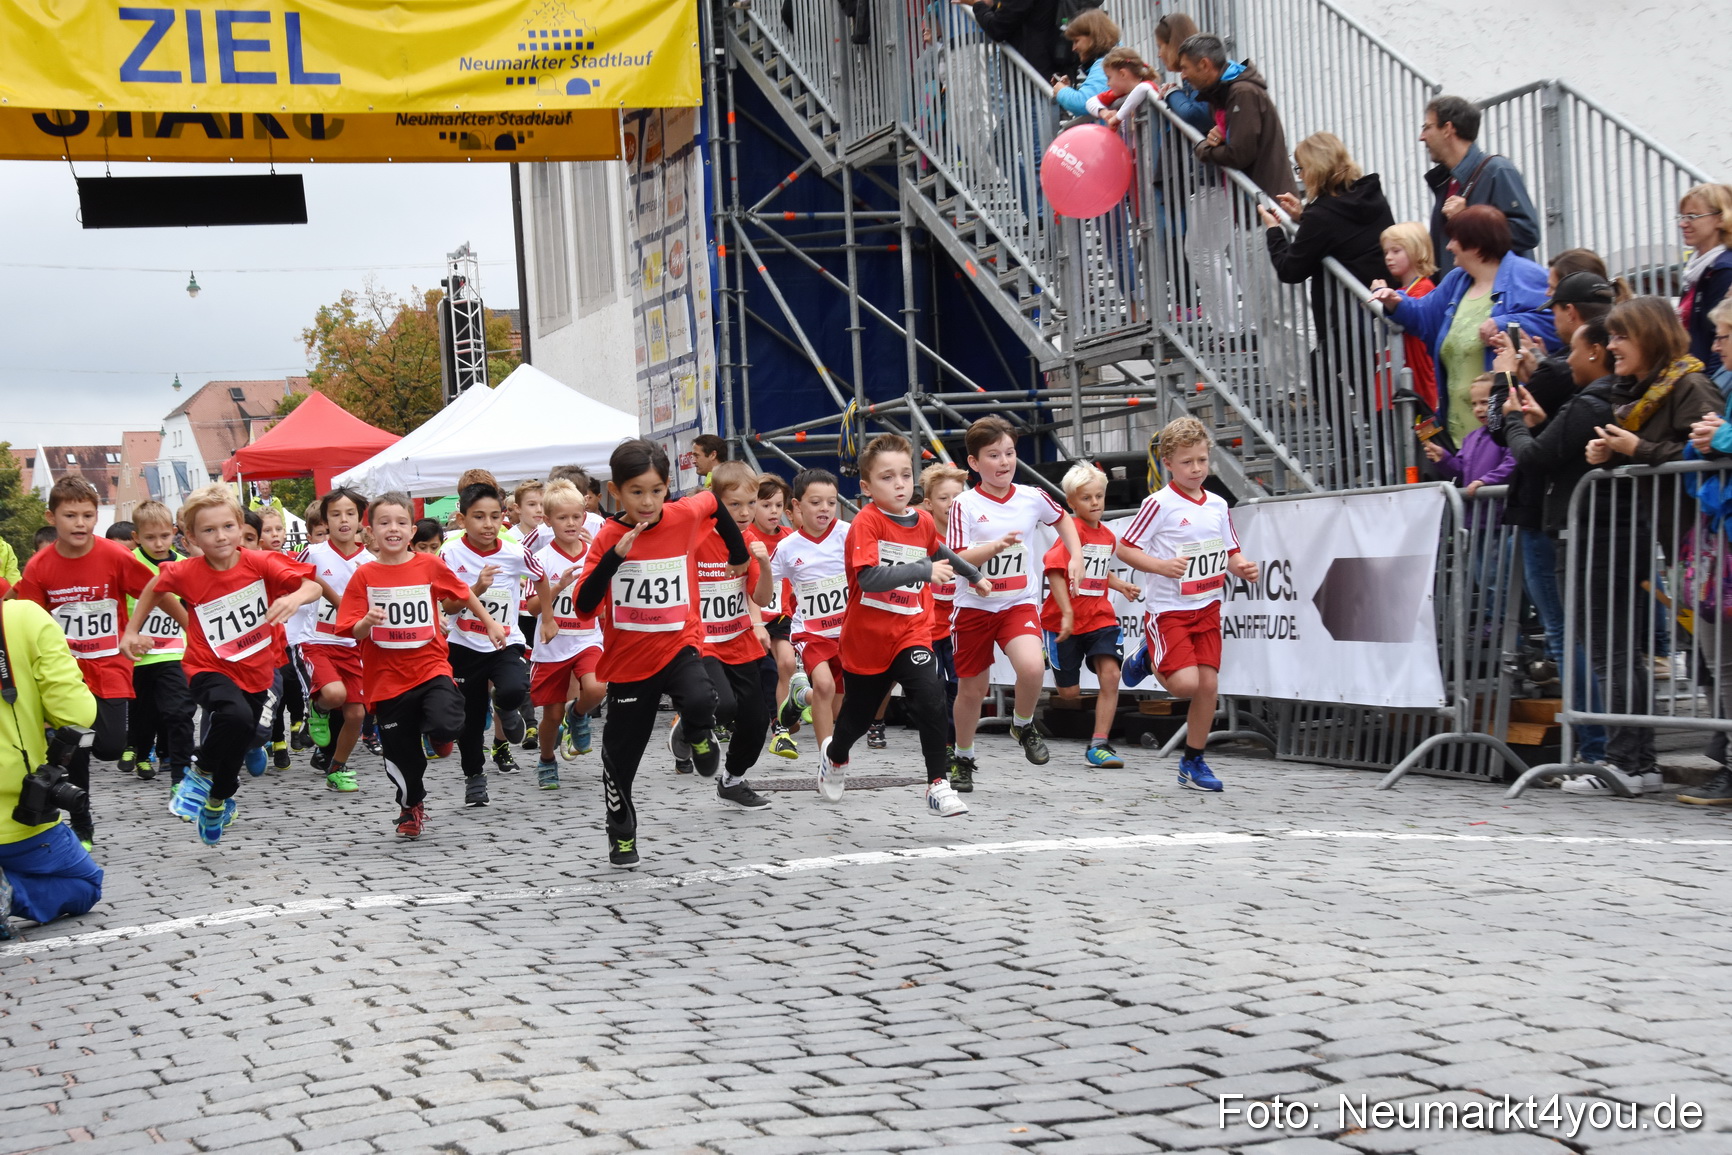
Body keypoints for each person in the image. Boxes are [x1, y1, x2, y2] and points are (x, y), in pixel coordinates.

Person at [575, 439, 749, 869]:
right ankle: (623, 833)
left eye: (656, 490)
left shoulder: (682, 515)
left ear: (668, 487)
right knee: (620, 760)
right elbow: (583, 606)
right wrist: (613, 561)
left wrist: (739, 553)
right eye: (636, 492)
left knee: (702, 698)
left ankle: (698, 733)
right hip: (630, 663)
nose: (648, 501)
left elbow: (712, 503)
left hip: (680, 642)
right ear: (615, 491)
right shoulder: (607, 538)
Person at [1499, 320, 1657, 795]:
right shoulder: (1607, 399)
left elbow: (1535, 457)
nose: (1566, 360)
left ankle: (1615, 757)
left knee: (1606, 653)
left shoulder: (1591, 400)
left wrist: (1510, 418)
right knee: (1619, 653)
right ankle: (1633, 759)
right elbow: (1557, 448)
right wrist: (1540, 421)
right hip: (1608, 532)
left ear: (1594, 353)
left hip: (1592, 534)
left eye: (1574, 350)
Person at [122, 486, 322, 844]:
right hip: (206, 667)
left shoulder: (259, 563)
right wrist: (132, 631)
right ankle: (198, 773)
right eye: (209, 530)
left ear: (240, 526)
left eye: (228, 527)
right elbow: (154, 586)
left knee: (239, 738)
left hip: (257, 672)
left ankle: (217, 800)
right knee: (233, 717)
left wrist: (293, 598)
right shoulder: (187, 571)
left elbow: (312, 586)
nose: (220, 536)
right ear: (191, 537)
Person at [1486, 265, 1619, 765]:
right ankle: (1600, 745)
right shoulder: (1568, 372)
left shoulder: (1567, 374)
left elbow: (1505, 428)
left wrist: (1503, 376)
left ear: (1572, 316)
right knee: (1578, 632)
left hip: (1549, 513)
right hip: (1559, 511)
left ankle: (1594, 746)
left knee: (1567, 632)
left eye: (1556, 311)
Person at [819, 434, 986, 816]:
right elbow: (869, 579)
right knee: (856, 720)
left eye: (905, 475)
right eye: (887, 477)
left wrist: (972, 574)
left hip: (912, 630)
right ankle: (836, 755)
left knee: (930, 693)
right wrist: (924, 571)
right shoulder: (866, 522)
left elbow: (937, 549)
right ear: (866, 486)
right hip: (867, 641)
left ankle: (937, 784)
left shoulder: (923, 519)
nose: (899, 484)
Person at [337, 493, 505, 839]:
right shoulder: (364, 576)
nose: (393, 529)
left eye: (400, 523)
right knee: (403, 758)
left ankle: (440, 734)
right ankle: (411, 804)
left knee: (446, 722)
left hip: (429, 666)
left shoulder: (428, 565)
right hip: (386, 680)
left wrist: (489, 623)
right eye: (384, 523)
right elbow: (351, 629)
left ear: (412, 530)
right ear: (370, 532)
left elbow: (462, 592)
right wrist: (368, 621)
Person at [14, 477, 156, 848]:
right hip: (65, 670)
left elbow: (156, 590)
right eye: (70, 515)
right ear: (52, 517)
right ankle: (81, 821)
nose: (80, 523)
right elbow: (26, 615)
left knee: (109, 746)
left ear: (97, 516)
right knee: (76, 739)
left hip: (109, 664)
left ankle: (60, 745)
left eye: (88, 515)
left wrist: (142, 629)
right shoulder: (40, 566)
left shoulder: (114, 555)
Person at [1120, 418, 1260, 791]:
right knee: (1184, 685)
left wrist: (1241, 566)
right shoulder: (1158, 504)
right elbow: (1126, 547)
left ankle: (1193, 761)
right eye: (1187, 462)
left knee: (1208, 685)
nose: (1197, 469)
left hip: (1208, 606)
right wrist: (1161, 566)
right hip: (1169, 610)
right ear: (1168, 462)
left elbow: (1228, 548)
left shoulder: (1216, 504)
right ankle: (1149, 655)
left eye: (1202, 460)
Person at [947, 417, 1081, 789]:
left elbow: (1063, 519)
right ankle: (963, 756)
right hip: (974, 606)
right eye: (993, 455)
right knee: (973, 690)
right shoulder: (964, 504)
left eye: (1009, 453)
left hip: (1017, 602)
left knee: (1033, 668)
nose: (1004, 462)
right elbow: (959, 557)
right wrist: (993, 548)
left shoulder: (1032, 496)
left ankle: (1022, 725)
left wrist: (1076, 555)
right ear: (974, 463)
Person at [1371, 206, 1556, 447]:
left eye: (1455, 240)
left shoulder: (1525, 274)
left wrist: (1502, 323)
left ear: (1476, 245)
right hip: (1460, 433)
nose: (1448, 247)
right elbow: (1424, 317)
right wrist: (1396, 302)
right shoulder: (1457, 280)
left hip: (1506, 435)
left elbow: (1555, 322)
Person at [1259, 132, 1395, 408]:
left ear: (1316, 169)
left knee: (1335, 376)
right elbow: (1343, 231)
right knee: (1375, 389)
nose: (1300, 174)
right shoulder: (1371, 196)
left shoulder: (1322, 216)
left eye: (1301, 168)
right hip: (1383, 306)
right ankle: (1375, 445)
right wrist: (1304, 216)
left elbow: (1290, 269)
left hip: (1347, 317)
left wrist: (1274, 232)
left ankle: (1351, 449)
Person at [0, 597, 103, 940]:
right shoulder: (22, 616)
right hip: (18, 818)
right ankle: (8, 893)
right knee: (85, 884)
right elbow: (75, 714)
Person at [1040, 462, 1152, 768]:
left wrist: (1120, 584)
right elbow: (1055, 573)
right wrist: (1065, 612)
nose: (1095, 503)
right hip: (1063, 623)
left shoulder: (1107, 536)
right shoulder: (1071, 533)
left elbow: (1098, 571)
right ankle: (1045, 649)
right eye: (1087, 498)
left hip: (1101, 618)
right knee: (1069, 692)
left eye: (1099, 496)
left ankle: (1099, 744)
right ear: (1072, 503)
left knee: (1111, 676)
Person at [678, 461, 774, 809]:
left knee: (758, 720)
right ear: (714, 502)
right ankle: (692, 723)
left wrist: (763, 565)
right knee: (725, 704)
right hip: (702, 640)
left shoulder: (751, 542)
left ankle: (732, 780)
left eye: (752, 503)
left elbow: (762, 599)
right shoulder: (697, 536)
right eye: (734, 504)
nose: (746, 512)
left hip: (739, 639)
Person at [441, 482, 543, 806]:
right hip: (464, 645)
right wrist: (477, 588)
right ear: (462, 520)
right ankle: (474, 776)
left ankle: (504, 706)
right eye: (479, 517)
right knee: (468, 722)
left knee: (515, 688)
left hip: (505, 641)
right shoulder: (450, 553)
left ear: (504, 517)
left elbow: (542, 577)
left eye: (495, 516)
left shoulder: (514, 551)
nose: (488, 524)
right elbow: (448, 605)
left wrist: (549, 616)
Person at [1678, 297, 1732, 806]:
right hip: (1722, 535)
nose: (1714, 346)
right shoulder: (1726, 382)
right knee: (1722, 659)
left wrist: (1722, 436)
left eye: (1723, 337)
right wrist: (1701, 442)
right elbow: (1706, 458)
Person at [528, 479, 607, 785]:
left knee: (598, 687)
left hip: (588, 637)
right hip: (552, 645)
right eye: (562, 518)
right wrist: (557, 586)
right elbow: (533, 608)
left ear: (584, 516)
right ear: (548, 521)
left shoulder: (594, 555)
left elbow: (604, 598)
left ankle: (579, 715)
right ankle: (547, 759)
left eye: (576, 516)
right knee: (551, 715)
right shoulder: (541, 559)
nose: (571, 523)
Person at [1586, 296, 1724, 469]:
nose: (1610, 346)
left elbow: (1708, 455)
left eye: (1621, 337)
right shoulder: (1630, 390)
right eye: (1611, 337)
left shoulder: (1691, 385)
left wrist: (1638, 448)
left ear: (1651, 339)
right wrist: (1611, 453)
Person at [296, 489, 374, 793]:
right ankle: (319, 708)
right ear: (325, 520)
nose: (344, 520)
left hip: (352, 646)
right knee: (334, 694)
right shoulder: (313, 553)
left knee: (357, 713)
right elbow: (294, 579)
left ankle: (337, 768)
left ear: (359, 519)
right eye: (336, 514)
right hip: (316, 641)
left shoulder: (369, 560)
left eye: (350, 514)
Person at [768, 470, 849, 757]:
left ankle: (800, 696)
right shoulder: (788, 547)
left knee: (833, 703)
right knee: (825, 685)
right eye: (815, 502)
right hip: (810, 631)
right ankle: (828, 761)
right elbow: (765, 589)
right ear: (798, 506)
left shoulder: (848, 533)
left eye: (831, 502)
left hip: (847, 632)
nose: (824, 508)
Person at [1420, 95, 1539, 274]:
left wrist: (1468, 219)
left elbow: (1528, 232)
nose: (1422, 137)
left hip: (1497, 297)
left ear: (1447, 129)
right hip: (1463, 298)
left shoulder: (1497, 171)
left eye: (1427, 127)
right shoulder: (1445, 182)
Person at [121, 500, 194, 786]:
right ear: (136, 537)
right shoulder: (128, 563)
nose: (158, 543)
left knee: (178, 711)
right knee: (143, 714)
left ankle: (181, 770)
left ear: (174, 532)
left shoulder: (185, 565)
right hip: (138, 656)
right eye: (150, 538)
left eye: (164, 536)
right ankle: (140, 754)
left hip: (175, 652)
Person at [1176, 33, 1295, 199]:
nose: (1183, 75)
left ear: (1204, 64)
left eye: (1184, 68)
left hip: (1270, 204)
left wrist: (1203, 148)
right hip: (1256, 201)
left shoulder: (1242, 92)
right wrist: (1219, 141)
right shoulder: (1220, 93)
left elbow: (1239, 154)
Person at [747, 475, 800, 760]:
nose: (773, 512)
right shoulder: (745, 538)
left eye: (778, 505)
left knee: (787, 662)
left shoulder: (789, 538)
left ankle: (780, 729)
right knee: (760, 675)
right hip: (750, 615)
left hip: (780, 615)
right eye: (766, 505)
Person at [919, 462, 969, 754]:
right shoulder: (922, 539)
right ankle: (942, 743)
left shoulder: (970, 537)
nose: (952, 504)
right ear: (928, 503)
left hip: (960, 626)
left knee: (959, 687)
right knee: (934, 689)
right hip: (927, 628)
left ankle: (953, 743)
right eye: (943, 498)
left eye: (957, 497)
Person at [1375, 221, 1440, 410]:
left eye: (1396, 251)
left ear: (1416, 250)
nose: (1389, 258)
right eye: (1386, 252)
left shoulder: (1424, 288)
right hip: (1398, 380)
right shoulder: (1402, 290)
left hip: (1417, 382)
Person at [1677, 183, 1732, 375]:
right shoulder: (1696, 271)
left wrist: (1709, 392)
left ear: (1720, 218)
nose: (1682, 223)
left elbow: (1720, 339)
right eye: (1682, 217)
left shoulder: (1724, 270)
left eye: (1692, 216)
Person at [956, 0, 1066, 86]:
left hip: (1032, 77)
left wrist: (978, 5)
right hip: (1044, 69)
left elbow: (998, 28)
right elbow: (1014, 16)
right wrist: (990, 6)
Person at [1051, 8, 1117, 117]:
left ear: (1093, 37)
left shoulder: (1106, 65)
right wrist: (1069, 90)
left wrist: (1062, 91)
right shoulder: (1110, 60)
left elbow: (1083, 103)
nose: (1073, 48)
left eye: (1076, 41)